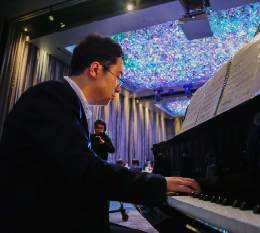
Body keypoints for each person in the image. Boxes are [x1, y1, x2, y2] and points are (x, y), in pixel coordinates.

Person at [0, 34, 201, 233]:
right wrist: (159, 183)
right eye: (118, 76)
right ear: (96, 69)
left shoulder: (66, 101)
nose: (119, 87)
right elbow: (86, 171)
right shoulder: (51, 96)